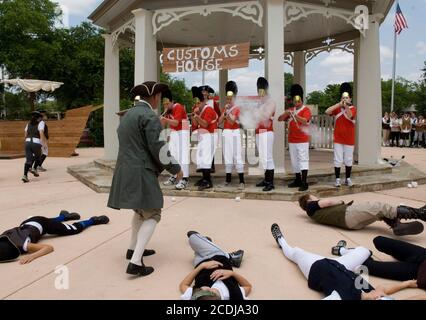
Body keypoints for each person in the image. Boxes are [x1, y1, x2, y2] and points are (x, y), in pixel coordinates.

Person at [108, 81, 183, 277]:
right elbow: (158, 147)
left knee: (141, 211)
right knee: (153, 212)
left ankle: (133, 249)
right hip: (140, 170)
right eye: (160, 96)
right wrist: (175, 168)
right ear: (156, 97)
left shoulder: (128, 115)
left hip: (125, 169)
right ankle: (135, 262)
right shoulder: (149, 115)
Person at [270, 223, 424, 300]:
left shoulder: (341, 297)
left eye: (378, 297)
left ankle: (281, 240)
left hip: (317, 267)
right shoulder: (373, 294)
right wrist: (406, 284)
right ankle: (342, 250)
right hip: (344, 265)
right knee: (364, 251)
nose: (379, 295)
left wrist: (363, 296)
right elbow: (382, 289)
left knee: (296, 253)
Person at [0, 210, 109, 264]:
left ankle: (93, 220)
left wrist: (32, 256)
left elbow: (48, 247)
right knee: (49, 222)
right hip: (29, 222)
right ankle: (63, 216)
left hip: (41, 224)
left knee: (73, 229)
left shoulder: (23, 245)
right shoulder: (3, 237)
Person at [298, 193, 425, 236]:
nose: (316, 197)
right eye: (313, 196)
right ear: (308, 199)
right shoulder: (311, 205)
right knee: (379, 206)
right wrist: (340, 201)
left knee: (378, 213)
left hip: (351, 224)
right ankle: (420, 213)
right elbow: (328, 202)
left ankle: (397, 226)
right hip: (347, 214)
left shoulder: (313, 214)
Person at [179, 231, 250, 300]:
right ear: (212, 292)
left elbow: (183, 285)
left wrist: (202, 266)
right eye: (203, 289)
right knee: (192, 236)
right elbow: (248, 286)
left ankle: (206, 241)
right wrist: (232, 273)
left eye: (200, 289)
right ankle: (230, 257)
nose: (202, 287)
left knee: (197, 246)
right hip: (217, 256)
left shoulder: (196, 296)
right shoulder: (234, 294)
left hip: (199, 262)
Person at [355, 236, 426, 291]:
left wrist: (407, 284)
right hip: (423, 255)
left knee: (364, 265)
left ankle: (346, 253)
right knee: (379, 240)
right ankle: (402, 257)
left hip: (417, 273)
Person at [278, 84, 311, 191]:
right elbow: (280, 119)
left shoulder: (306, 110)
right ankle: (297, 180)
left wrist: (294, 115)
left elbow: (305, 121)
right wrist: (286, 112)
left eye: (298, 101)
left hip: (302, 140)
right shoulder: (291, 109)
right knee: (294, 161)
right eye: (295, 101)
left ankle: (304, 182)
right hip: (292, 140)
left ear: (301, 100)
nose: (296, 103)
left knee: (303, 160)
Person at [325, 83, 357, 187]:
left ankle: (348, 178)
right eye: (343, 97)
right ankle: (337, 179)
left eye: (347, 97)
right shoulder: (338, 108)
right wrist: (339, 104)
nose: (345, 99)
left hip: (349, 138)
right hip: (338, 138)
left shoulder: (353, 108)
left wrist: (346, 105)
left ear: (350, 98)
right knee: (338, 159)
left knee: (348, 159)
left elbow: (350, 115)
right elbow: (327, 111)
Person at [160, 89, 190, 190]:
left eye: (167, 104)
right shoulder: (168, 110)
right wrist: (162, 119)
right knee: (173, 154)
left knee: (183, 155)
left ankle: (185, 179)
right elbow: (165, 124)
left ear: (172, 102)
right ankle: (174, 175)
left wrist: (165, 119)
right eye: (164, 104)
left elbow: (176, 122)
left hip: (183, 132)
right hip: (175, 132)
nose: (165, 106)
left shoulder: (178, 107)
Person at [218, 81, 245, 189]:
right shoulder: (226, 108)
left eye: (230, 99)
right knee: (227, 156)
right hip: (226, 132)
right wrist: (224, 113)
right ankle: (227, 179)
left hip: (235, 132)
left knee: (237, 156)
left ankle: (242, 181)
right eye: (228, 99)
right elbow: (219, 121)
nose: (229, 100)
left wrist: (227, 114)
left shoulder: (237, 108)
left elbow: (232, 121)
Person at [191, 86, 218, 191]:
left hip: (210, 135)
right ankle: (204, 178)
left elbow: (205, 124)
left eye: (198, 103)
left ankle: (208, 181)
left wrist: (197, 116)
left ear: (202, 102)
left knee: (206, 157)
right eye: (196, 103)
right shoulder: (198, 110)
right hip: (203, 135)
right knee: (201, 157)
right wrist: (194, 116)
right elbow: (195, 124)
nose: (196, 105)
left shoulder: (208, 109)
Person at [254, 77, 276, 192]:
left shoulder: (270, 102)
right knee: (263, 158)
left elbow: (265, 117)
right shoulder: (260, 103)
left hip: (267, 132)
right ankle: (266, 180)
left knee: (268, 157)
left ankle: (271, 182)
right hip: (259, 132)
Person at [22, 111, 46, 183]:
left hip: (27, 142)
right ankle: (34, 169)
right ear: (38, 118)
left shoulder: (28, 124)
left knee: (28, 160)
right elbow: (41, 132)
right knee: (38, 156)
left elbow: (25, 134)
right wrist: (43, 143)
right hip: (36, 142)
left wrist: (26, 142)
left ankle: (25, 176)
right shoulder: (41, 123)